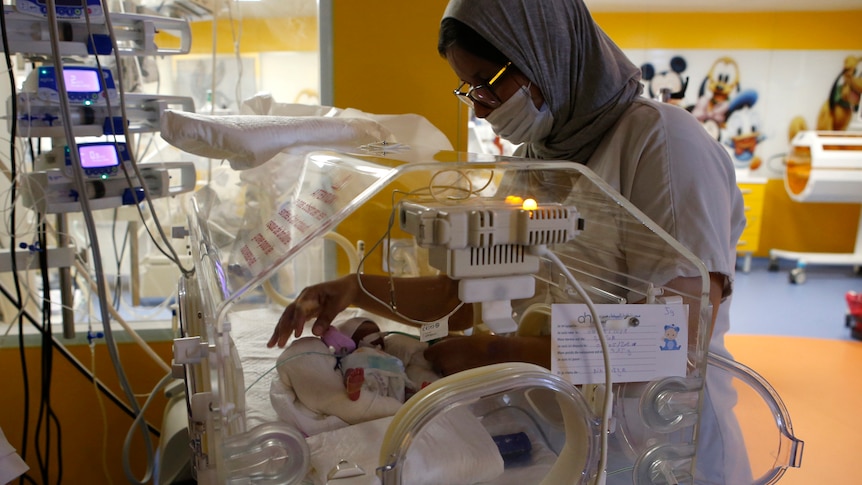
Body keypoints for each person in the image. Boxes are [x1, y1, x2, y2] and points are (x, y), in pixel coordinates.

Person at [268, 0, 749, 483]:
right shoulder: (535, 163)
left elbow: (673, 337)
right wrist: (355, 289)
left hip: (659, 441)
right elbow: (464, 299)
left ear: (545, 53)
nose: (478, 106)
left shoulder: (662, 142)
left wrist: (491, 357)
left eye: (487, 82)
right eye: (469, 88)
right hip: (556, 430)